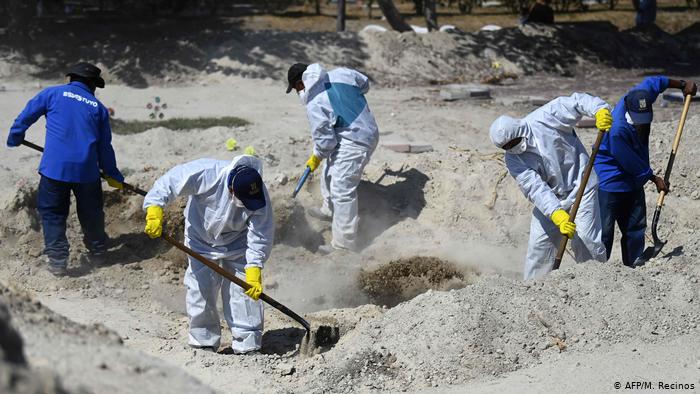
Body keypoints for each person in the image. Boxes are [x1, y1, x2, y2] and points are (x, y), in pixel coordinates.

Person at [142, 155, 273, 354]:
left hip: (238, 244)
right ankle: (203, 340)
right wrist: (154, 208)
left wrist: (254, 267)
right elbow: (170, 181)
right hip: (201, 240)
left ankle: (248, 344)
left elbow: (261, 233)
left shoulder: (258, 195)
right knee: (201, 289)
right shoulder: (207, 174)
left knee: (244, 293)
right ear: (231, 189)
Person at [6, 62, 124, 276]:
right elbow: (104, 147)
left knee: (52, 213)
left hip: (55, 169)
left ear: (72, 79)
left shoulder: (52, 93)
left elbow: (27, 115)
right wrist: (112, 174)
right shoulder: (98, 108)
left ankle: (58, 261)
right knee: (92, 214)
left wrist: (16, 134)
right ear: (92, 85)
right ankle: (98, 252)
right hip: (87, 172)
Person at [489, 93, 612, 280]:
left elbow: (577, 102)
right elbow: (535, 188)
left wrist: (600, 110)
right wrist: (556, 214)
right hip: (553, 199)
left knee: (586, 240)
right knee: (539, 245)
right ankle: (535, 289)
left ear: (519, 129)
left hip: (582, 185)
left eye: (513, 143)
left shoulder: (546, 117)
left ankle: (596, 282)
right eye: (507, 147)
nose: (513, 148)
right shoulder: (513, 159)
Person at [594, 77, 697, 267]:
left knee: (635, 226)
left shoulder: (640, 97)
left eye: (645, 120)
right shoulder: (617, 129)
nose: (642, 125)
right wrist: (654, 178)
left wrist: (682, 84)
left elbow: (655, 81)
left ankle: (634, 264)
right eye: (638, 122)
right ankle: (598, 272)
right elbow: (629, 162)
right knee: (605, 232)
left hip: (633, 181)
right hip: (610, 182)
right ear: (629, 112)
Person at [286, 63, 379, 255]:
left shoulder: (315, 102)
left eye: (296, 89)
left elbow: (326, 142)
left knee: (342, 189)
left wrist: (316, 157)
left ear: (300, 84)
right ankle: (329, 210)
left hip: (355, 141)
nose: (298, 93)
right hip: (366, 129)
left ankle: (343, 246)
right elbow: (364, 84)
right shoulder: (341, 73)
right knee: (331, 167)